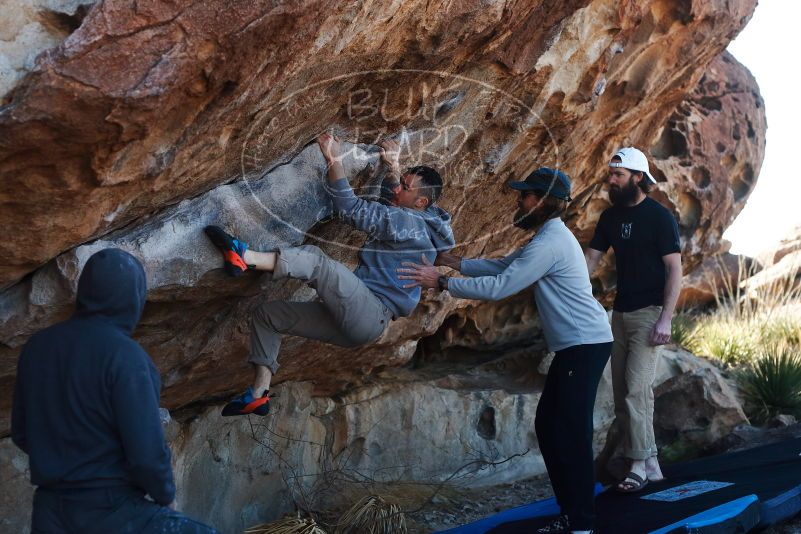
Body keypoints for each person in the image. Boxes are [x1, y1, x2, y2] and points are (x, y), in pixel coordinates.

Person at [398, 168, 612, 534]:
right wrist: (454, 262)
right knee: (550, 426)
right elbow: (505, 265)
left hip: (585, 346)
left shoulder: (551, 242)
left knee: (570, 432)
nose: (519, 200)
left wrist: (444, 282)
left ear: (543, 202)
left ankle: (581, 523)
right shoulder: (547, 236)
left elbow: (501, 285)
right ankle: (573, 514)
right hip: (579, 347)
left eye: (526, 195)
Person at [205, 134, 455, 416]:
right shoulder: (423, 223)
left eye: (405, 188)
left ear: (421, 201)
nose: (398, 190)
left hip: (370, 309)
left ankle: (245, 258)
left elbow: (350, 208)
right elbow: (394, 203)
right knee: (267, 315)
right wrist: (394, 169)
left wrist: (333, 158)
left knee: (315, 260)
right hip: (361, 325)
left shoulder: (408, 221)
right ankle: (258, 394)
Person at [11, 248, 218, 534]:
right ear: (133, 297)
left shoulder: (36, 348)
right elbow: (146, 452)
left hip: (49, 510)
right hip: (112, 510)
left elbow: (22, 432)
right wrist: (165, 497)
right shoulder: (126, 357)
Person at [585, 147, 682, 493]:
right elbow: (589, 262)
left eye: (618, 175)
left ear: (638, 178)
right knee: (623, 393)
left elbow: (675, 269)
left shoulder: (659, 217)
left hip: (650, 314)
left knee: (638, 390)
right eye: (611, 173)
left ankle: (637, 464)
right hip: (620, 313)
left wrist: (665, 319)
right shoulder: (610, 218)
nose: (611, 180)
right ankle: (649, 462)